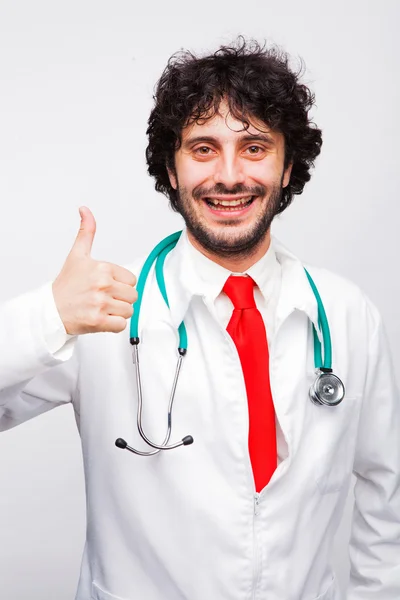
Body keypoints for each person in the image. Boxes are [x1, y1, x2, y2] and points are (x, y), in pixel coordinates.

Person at [0, 38, 399, 600]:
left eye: (255, 147)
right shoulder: (105, 308)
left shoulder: (348, 314)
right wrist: (47, 316)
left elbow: (388, 500)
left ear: (288, 168)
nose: (229, 176)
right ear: (171, 167)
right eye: (204, 148)